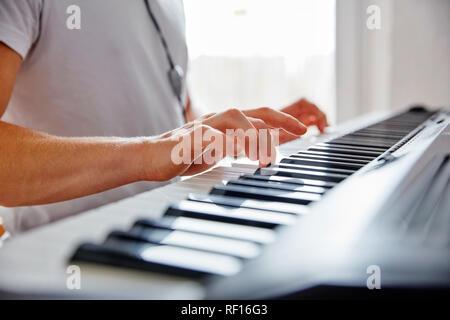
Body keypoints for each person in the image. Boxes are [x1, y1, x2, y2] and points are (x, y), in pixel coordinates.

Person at [0, 0, 328, 233]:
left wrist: (246, 133)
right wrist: (147, 153)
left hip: (161, 230)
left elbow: (174, 124)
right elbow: (160, 147)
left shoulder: (171, 6)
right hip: (59, 252)